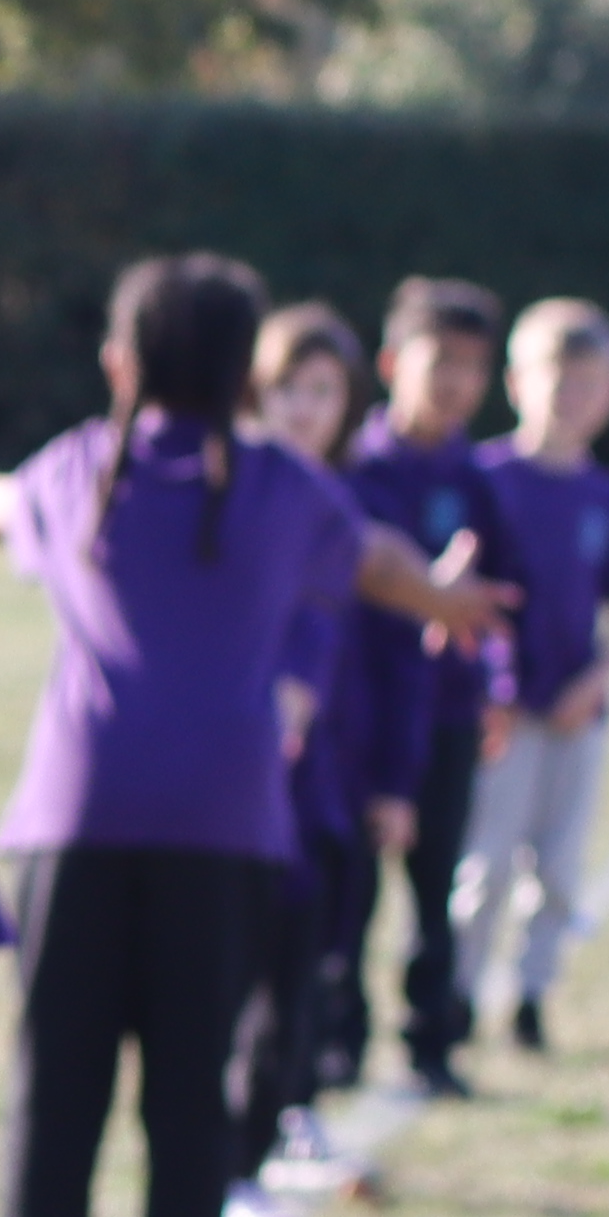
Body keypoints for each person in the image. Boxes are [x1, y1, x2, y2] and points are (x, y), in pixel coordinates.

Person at [0, 256, 508, 1217]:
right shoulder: (284, 488)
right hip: (223, 834)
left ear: (122, 361)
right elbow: (379, 562)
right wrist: (446, 607)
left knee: (58, 1092)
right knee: (192, 1102)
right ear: (247, 368)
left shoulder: (85, 471)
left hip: (76, 828)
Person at [449, 300, 609, 1054]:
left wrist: (596, 681)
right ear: (517, 382)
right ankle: (460, 994)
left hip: (575, 713)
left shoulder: (608, 497)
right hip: (501, 711)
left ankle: (532, 997)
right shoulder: (485, 477)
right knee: (486, 866)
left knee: (558, 868)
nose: (571, 398)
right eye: (556, 380)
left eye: (590, 384)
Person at [340, 279, 508, 1097]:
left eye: (475, 367)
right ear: (393, 362)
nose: (457, 384)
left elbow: (507, 599)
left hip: (444, 716)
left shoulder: (475, 479)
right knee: (348, 890)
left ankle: (430, 1042)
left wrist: (497, 688)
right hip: (361, 711)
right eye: (442, 361)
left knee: (435, 886)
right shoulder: (355, 469)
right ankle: (336, 1045)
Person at [241, 302, 380, 1172]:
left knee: (308, 963)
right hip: (234, 786)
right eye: (285, 388)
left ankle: (281, 1113)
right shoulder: (223, 502)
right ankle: (232, 1153)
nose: (302, 407)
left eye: (321, 391)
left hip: (324, 785)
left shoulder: (346, 511)